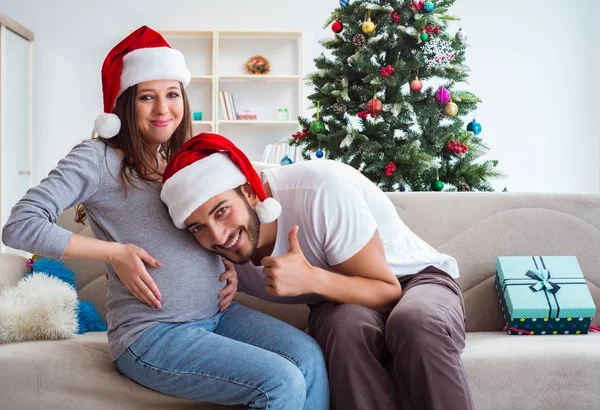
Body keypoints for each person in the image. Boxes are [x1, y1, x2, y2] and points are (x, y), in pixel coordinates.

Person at [1, 26, 328, 410]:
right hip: (152, 334)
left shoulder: (179, 162)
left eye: (172, 95)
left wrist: (222, 263)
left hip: (216, 317)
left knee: (308, 357)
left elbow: (198, 229)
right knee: (280, 380)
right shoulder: (96, 158)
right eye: (146, 97)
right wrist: (114, 253)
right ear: (125, 104)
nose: (163, 109)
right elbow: (21, 224)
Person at [160, 133, 475, 410]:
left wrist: (310, 279)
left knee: (414, 321)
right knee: (343, 328)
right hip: (337, 302)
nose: (217, 236)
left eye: (222, 211)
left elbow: (388, 291)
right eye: (199, 227)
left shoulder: (319, 189)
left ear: (250, 193)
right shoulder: (211, 253)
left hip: (415, 280)